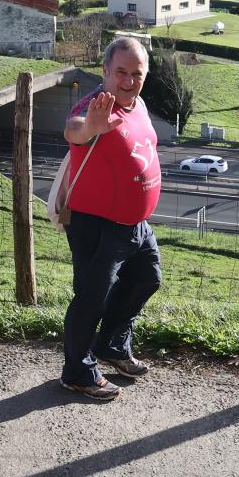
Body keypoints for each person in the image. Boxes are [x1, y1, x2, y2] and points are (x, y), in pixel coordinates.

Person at [57, 36, 163, 402]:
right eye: (121, 72)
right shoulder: (96, 108)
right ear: (105, 71)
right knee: (91, 299)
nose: (129, 80)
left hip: (136, 225)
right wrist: (91, 129)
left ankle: (112, 346)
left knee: (147, 279)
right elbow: (74, 129)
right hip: (96, 224)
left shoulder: (139, 104)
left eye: (137, 73)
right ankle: (78, 373)